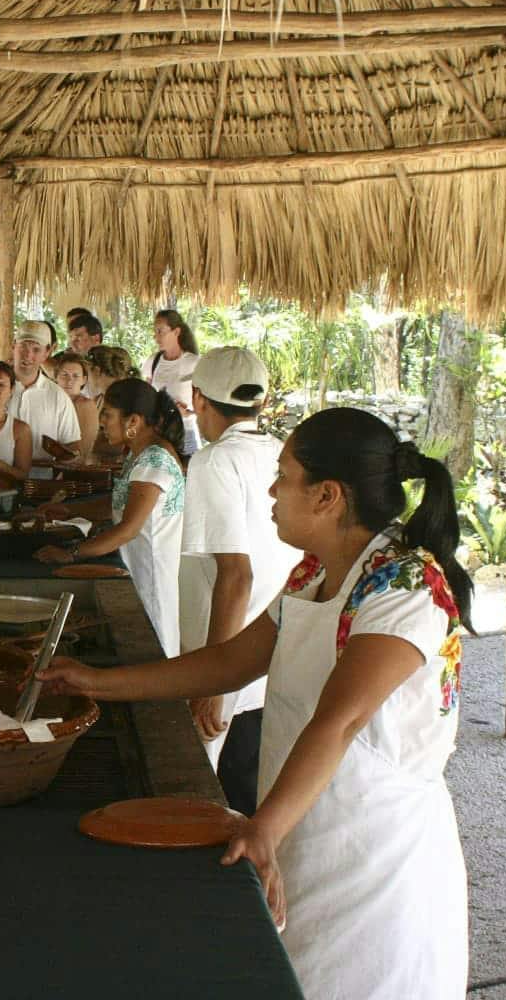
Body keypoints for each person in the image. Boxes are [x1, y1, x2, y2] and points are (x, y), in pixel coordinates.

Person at [38, 407, 473, 1000]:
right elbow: (230, 662)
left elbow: (339, 722)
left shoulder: (404, 587)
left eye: (284, 476)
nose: (270, 490)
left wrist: (263, 827)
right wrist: (99, 682)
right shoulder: (314, 572)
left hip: (373, 848)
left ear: (327, 496)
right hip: (304, 818)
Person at [177, 348, 300, 815]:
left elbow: (236, 574)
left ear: (198, 398)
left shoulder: (213, 462)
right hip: (269, 661)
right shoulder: (280, 453)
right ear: (261, 404)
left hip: (231, 667)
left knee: (213, 806)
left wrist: (213, 683)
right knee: (252, 796)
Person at [35, 379, 185, 656]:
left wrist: (72, 553)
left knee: (152, 657)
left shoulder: (154, 462)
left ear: (134, 421)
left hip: (150, 580)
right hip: (140, 573)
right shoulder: (141, 453)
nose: (101, 421)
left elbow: (127, 529)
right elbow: (119, 503)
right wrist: (71, 510)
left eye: (107, 414)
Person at [6, 321, 81, 463]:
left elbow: (73, 445)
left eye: (36, 349)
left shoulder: (58, 396)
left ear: (47, 352)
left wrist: (64, 456)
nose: (28, 355)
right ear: (13, 346)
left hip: (41, 481)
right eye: (23, 347)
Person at [142, 308, 201, 456]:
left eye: (160, 331)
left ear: (176, 332)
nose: (156, 337)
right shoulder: (152, 362)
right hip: (159, 433)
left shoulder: (194, 363)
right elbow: (146, 396)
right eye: (155, 332)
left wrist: (186, 413)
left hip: (186, 432)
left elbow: (207, 402)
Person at [85, 345, 136, 463]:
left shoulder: (122, 398)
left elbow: (118, 443)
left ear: (96, 371)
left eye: (87, 373)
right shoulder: (100, 398)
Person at [51, 352, 100, 462]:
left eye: (75, 376)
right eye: (64, 375)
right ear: (56, 377)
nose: (69, 381)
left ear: (84, 379)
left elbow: (82, 450)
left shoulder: (84, 405)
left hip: (72, 469)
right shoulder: (52, 402)